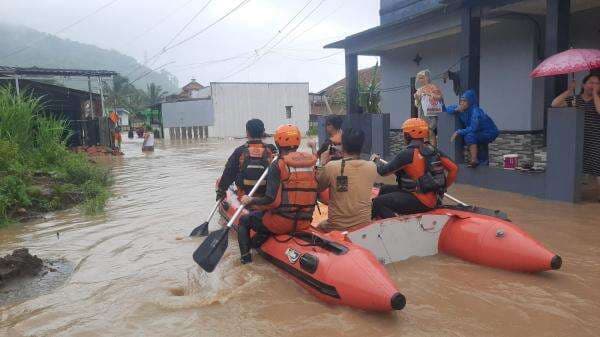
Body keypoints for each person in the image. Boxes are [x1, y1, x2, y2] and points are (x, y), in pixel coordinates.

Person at [237, 124, 319, 264]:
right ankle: (257, 244)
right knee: (263, 217)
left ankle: (245, 260)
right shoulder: (312, 163)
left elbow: (272, 201)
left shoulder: (278, 166)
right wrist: (313, 148)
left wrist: (250, 200)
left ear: (277, 142)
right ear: (298, 142)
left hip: (281, 223)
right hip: (304, 221)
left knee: (245, 221)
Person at [371, 118, 458, 219]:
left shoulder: (407, 154)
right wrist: (443, 188)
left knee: (379, 202)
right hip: (434, 199)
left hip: (420, 201)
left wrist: (375, 162)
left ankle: (396, 227)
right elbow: (454, 169)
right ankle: (382, 217)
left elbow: (383, 172)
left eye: (404, 134)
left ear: (408, 135)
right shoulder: (432, 150)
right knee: (385, 189)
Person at [316, 128, 378, 230]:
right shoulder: (372, 167)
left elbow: (317, 187)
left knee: (318, 228)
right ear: (362, 146)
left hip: (337, 227)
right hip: (364, 226)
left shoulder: (332, 167)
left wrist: (322, 163)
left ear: (342, 145)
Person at [551, 73, 600, 200]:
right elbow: (555, 104)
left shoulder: (598, 100)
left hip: (595, 139)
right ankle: (574, 194)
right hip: (577, 139)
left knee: (597, 165)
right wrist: (569, 90)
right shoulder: (574, 99)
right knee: (576, 165)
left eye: (597, 83)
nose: (593, 85)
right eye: (591, 82)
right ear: (583, 85)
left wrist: (595, 94)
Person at [216, 119, 276, 201]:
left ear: (247, 133)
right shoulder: (271, 149)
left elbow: (229, 172)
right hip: (266, 196)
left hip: (244, 196)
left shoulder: (240, 151)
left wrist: (221, 190)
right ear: (263, 132)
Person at [446, 89, 499, 167]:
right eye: (461, 101)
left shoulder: (476, 111)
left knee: (470, 136)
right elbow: (447, 109)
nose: (462, 103)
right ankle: (482, 163)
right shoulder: (461, 109)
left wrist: (458, 131)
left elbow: (473, 128)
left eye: (465, 101)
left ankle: (474, 160)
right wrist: (455, 109)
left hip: (490, 132)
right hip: (479, 131)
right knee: (475, 141)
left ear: (470, 101)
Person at [414, 69, 444, 146]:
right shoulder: (419, 90)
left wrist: (430, 94)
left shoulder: (433, 87)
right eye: (419, 78)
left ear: (427, 77)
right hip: (423, 115)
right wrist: (417, 98)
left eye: (422, 77)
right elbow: (417, 104)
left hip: (433, 114)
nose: (421, 80)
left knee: (430, 130)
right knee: (424, 132)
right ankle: (427, 150)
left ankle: (433, 150)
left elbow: (440, 98)